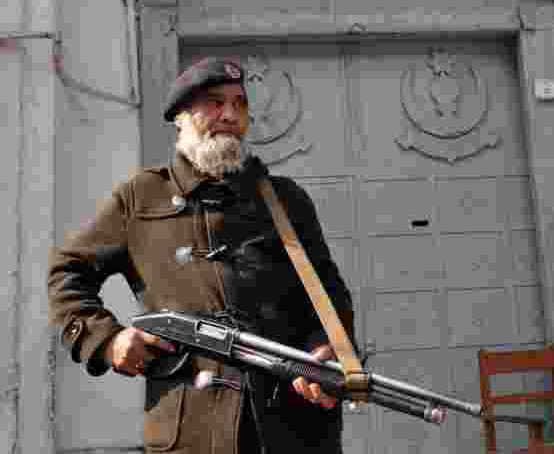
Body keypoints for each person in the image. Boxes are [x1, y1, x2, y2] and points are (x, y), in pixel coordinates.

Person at [48, 57, 356, 454]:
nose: (229, 114)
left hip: (293, 429)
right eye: (213, 102)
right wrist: (107, 340)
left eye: (239, 104)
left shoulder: (285, 199)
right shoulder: (140, 197)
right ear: (179, 117)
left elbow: (329, 292)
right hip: (189, 429)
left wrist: (326, 348)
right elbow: (67, 272)